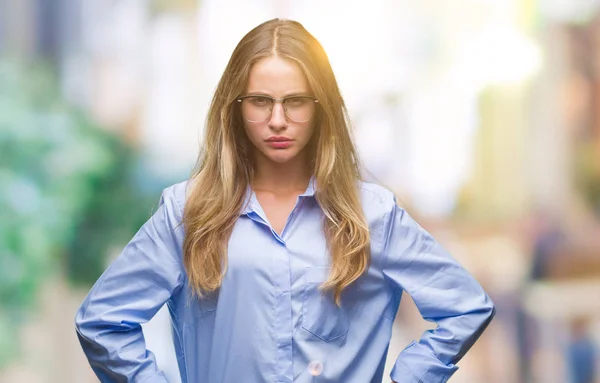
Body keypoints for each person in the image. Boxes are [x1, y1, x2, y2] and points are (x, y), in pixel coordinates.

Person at [75, 18, 495, 383]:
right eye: (260, 101)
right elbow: (101, 322)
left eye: (295, 101)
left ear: (321, 107)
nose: (278, 120)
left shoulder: (374, 216)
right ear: (235, 108)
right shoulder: (187, 213)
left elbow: (465, 309)